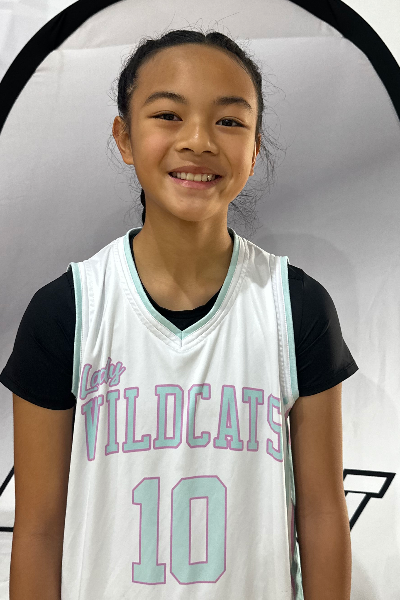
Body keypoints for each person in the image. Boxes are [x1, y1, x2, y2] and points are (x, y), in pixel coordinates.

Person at [1, 29, 357, 600]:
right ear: (124, 137)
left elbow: (320, 511)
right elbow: (39, 530)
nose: (198, 140)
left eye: (230, 121)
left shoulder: (295, 306)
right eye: (168, 114)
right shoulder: (66, 310)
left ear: (254, 149)